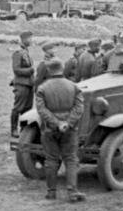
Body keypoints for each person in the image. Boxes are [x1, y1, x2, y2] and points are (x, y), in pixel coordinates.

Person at [35, 58, 86, 203]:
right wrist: (67, 123)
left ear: (49, 70)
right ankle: (72, 192)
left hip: (49, 129)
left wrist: (56, 123)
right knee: (71, 159)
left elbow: (41, 110)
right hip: (70, 129)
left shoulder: (42, 88)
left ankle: (51, 192)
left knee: (51, 160)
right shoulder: (74, 86)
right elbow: (79, 108)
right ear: (62, 69)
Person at [10, 31, 35, 137]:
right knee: (18, 107)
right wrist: (30, 70)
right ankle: (14, 129)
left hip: (29, 84)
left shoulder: (26, 52)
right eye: (30, 39)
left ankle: (24, 128)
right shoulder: (18, 53)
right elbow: (16, 70)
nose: (31, 40)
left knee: (27, 108)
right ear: (24, 39)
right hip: (21, 84)